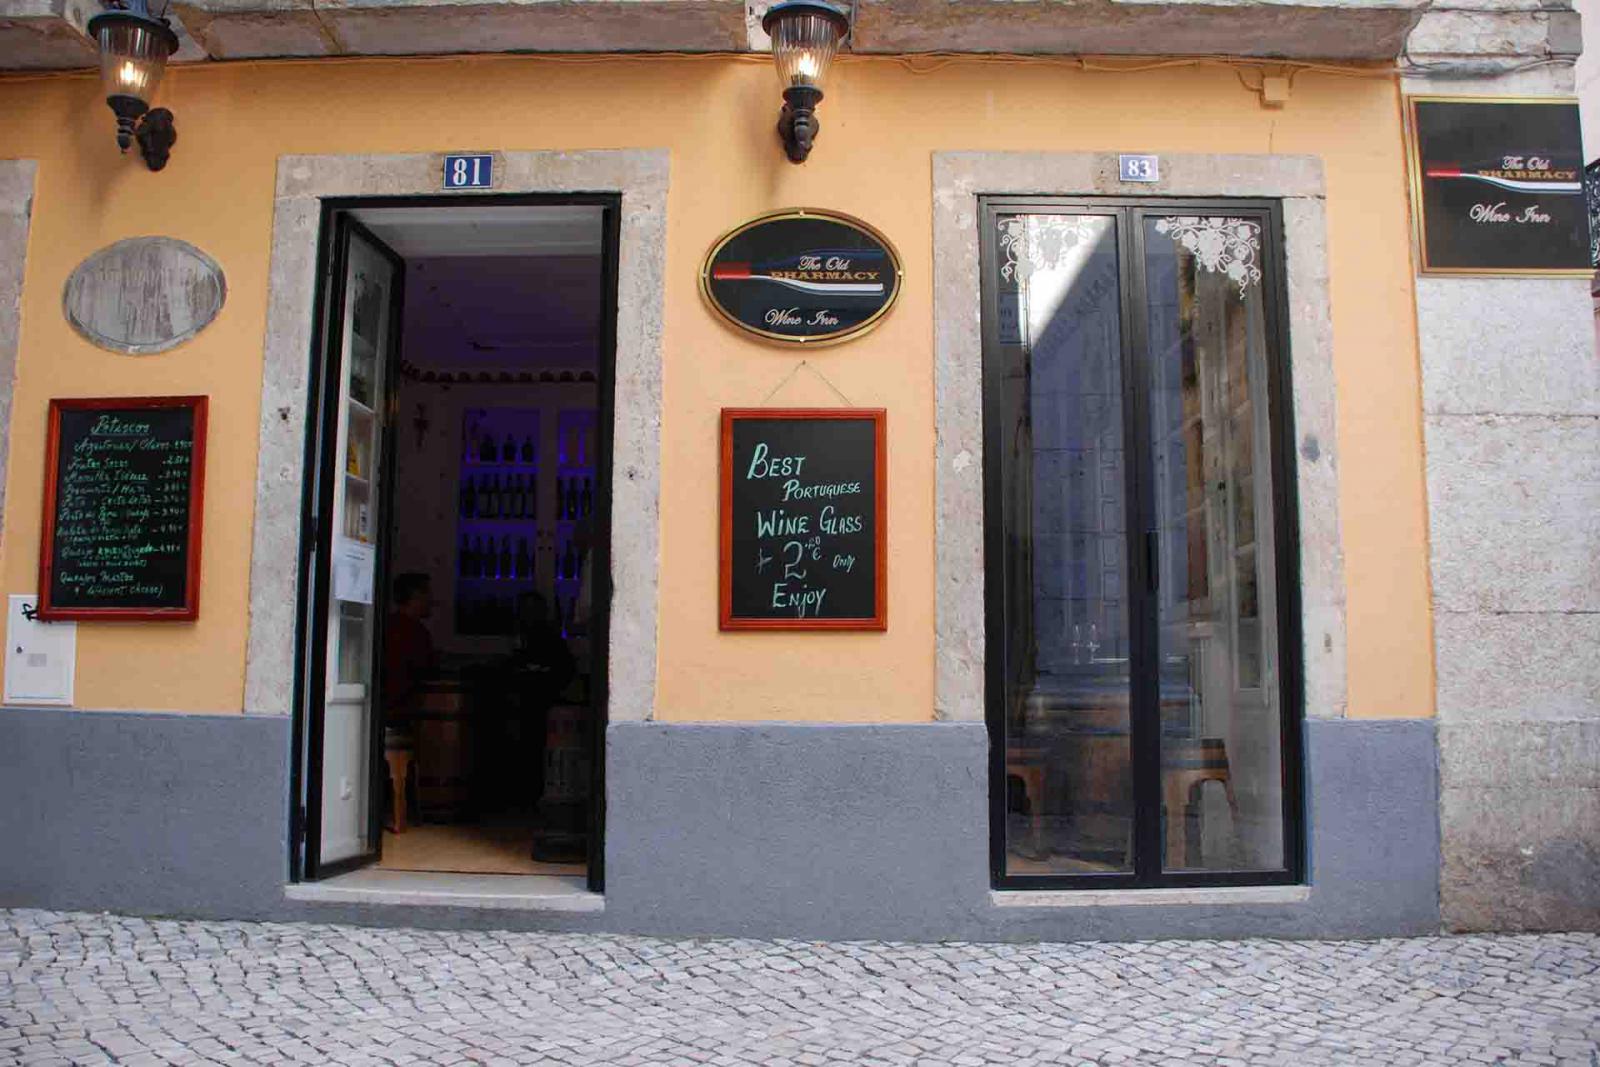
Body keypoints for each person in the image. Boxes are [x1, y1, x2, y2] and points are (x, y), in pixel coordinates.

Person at [382, 572, 437, 725]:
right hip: (403, 711)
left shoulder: (386, 625)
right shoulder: (416, 633)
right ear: (416, 596)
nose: (432, 600)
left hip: (386, 708)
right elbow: (424, 670)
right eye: (428, 594)